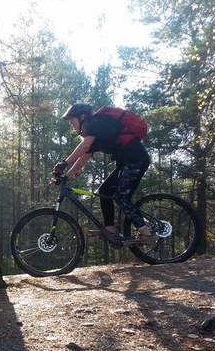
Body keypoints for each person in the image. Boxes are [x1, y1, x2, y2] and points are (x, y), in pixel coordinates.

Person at [53, 103, 155, 245]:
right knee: (104, 190)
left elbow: (84, 146)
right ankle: (110, 231)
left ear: (82, 116)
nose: (70, 123)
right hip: (126, 162)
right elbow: (82, 161)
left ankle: (147, 235)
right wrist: (66, 176)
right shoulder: (93, 134)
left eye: (71, 119)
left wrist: (64, 162)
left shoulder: (97, 122)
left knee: (122, 197)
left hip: (136, 159)